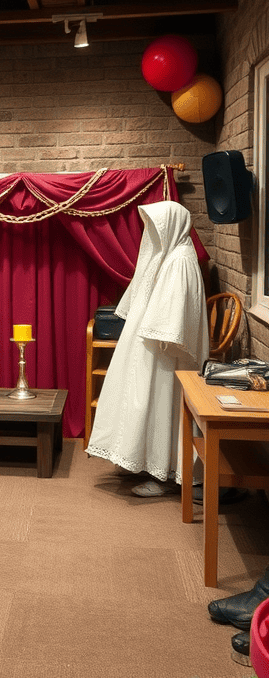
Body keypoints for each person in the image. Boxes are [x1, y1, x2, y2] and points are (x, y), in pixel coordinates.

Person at [86, 200, 209, 495]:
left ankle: (166, 471)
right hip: (154, 342)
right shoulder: (168, 256)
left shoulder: (180, 260)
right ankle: (147, 461)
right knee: (144, 402)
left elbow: (176, 310)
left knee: (161, 404)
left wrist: (151, 335)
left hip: (167, 349)